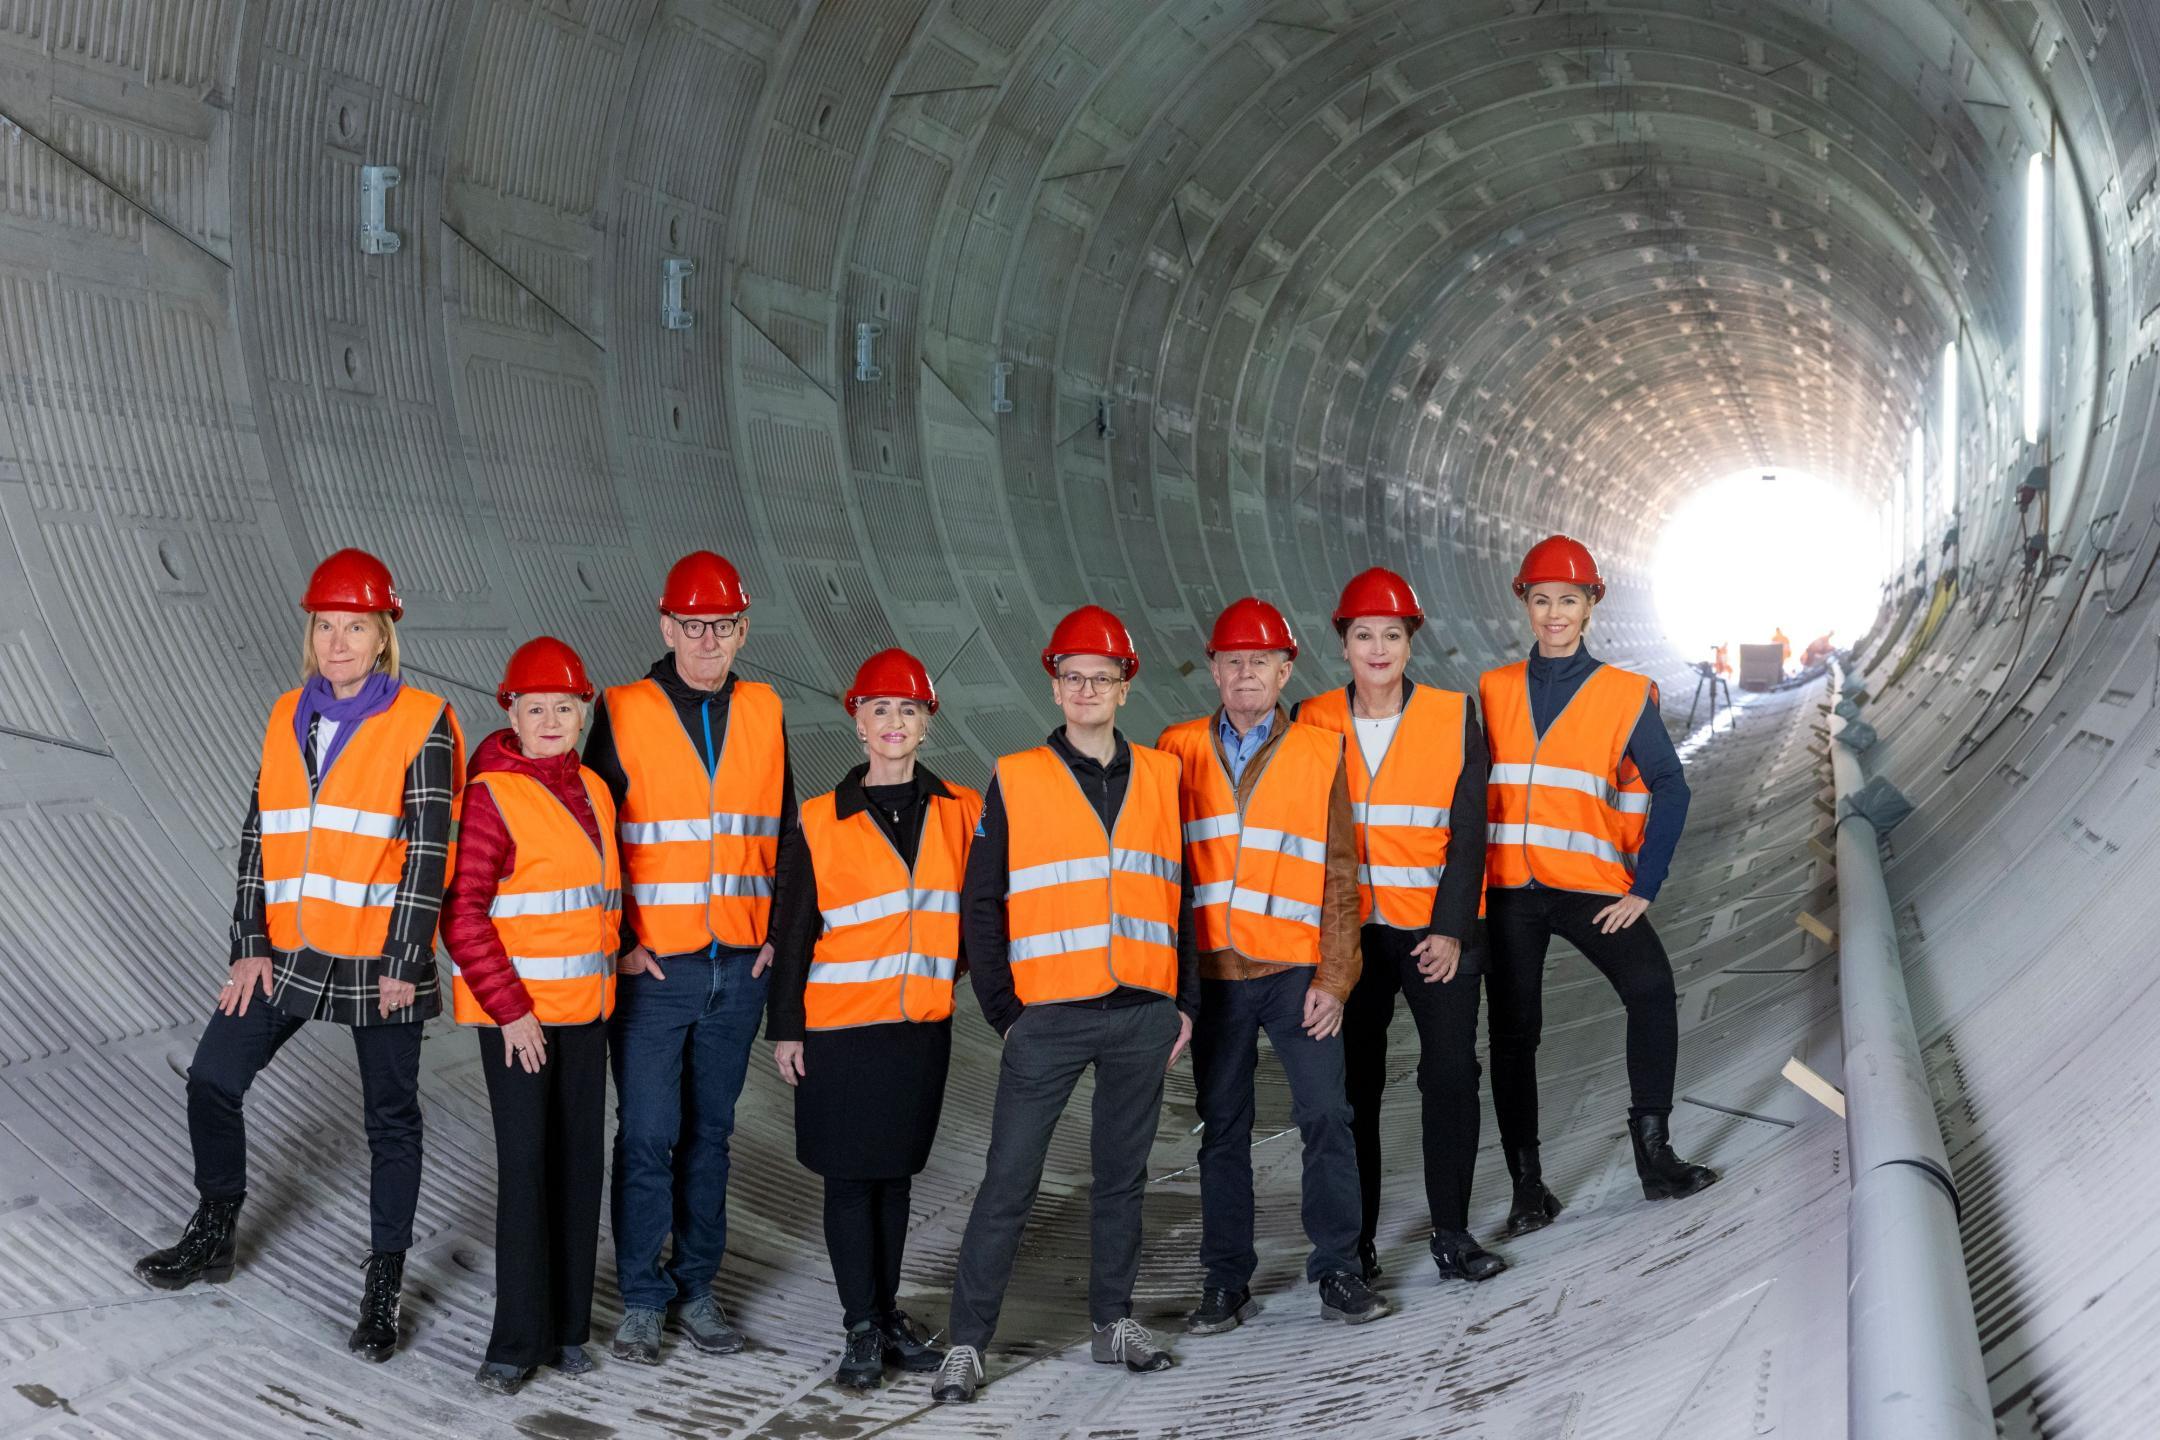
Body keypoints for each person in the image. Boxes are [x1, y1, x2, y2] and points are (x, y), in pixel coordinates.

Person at [133, 548, 464, 1365]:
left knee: (391, 1122)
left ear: (383, 634)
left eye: (357, 626)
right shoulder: (287, 713)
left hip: (381, 960)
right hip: (288, 954)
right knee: (214, 1075)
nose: (340, 641)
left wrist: (406, 956)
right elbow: (261, 836)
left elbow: (429, 851)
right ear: (310, 633)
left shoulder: (424, 719)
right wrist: (249, 944)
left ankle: (383, 1284)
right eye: (326, 626)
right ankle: (214, 1227)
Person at [933, 605, 1197, 1405]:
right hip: (1046, 1017)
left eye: (1102, 678)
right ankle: (967, 1343)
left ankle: (1113, 1323)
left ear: (1124, 688)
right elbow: (981, 902)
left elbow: (1180, 895)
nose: (1087, 690)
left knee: (1122, 1177)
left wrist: (1181, 1001)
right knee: (1010, 1178)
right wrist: (1005, 1008)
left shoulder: (1160, 774)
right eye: (1073, 677)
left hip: (1141, 1014)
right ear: (1055, 687)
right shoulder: (1015, 775)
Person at [582, 551, 795, 1364]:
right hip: (657, 976)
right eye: (693, 625)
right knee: (646, 1135)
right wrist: (622, 942)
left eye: (724, 625)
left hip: (737, 969)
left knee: (710, 1135)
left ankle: (697, 1289)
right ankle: (641, 1295)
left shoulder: (764, 709)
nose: (709, 640)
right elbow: (593, 835)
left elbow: (778, 830)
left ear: (743, 631)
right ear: (667, 627)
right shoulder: (626, 710)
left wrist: (772, 933)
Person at [1157, 597, 1389, 1336]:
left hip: (1295, 974)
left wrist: (1335, 977)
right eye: (1233, 660)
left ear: (1286, 670)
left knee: (1326, 1116)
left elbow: (1340, 877)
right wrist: (1172, 989)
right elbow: (1159, 875)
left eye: (1261, 660)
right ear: (1214, 668)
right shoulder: (1175, 749)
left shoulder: (1321, 751)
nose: (1245, 672)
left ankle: (1339, 1268)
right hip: (1216, 980)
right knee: (1222, 1129)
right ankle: (1226, 1280)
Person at [1481, 535, 1718, 1237]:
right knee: (1514, 1035)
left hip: (1588, 886)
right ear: (1526, 604)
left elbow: (1670, 784)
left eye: (1569, 600)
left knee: (1649, 990)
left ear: (1591, 607)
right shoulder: (1493, 690)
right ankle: (1528, 1187)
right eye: (1543, 600)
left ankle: (1654, 1154)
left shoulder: (1620, 693)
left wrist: (1644, 886)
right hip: (1511, 893)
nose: (1555, 613)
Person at [767, 649, 978, 1392]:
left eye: (908, 710)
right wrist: (785, 1028)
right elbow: (791, 931)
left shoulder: (963, 812)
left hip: (918, 1028)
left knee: (896, 1177)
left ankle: (887, 1316)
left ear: (927, 724)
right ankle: (860, 1323)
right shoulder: (818, 821)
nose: (894, 723)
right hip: (837, 1032)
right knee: (850, 1181)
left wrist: (938, 972)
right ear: (857, 721)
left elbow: (975, 917)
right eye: (880, 709)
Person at [1296, 568, 1505, 1285]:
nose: (1377, 648)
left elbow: (1469, 832)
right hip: (1351, 939)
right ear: (1343, 643)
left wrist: (1450, 929)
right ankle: (1355, 1248)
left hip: (1432, 933)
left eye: (1391, 634)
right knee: (1353, 1089)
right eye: (1363, 636)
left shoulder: (1454, 714)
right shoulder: (1312, 718)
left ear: (1410, 642)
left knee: (1450, 1074)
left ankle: (1451, 1234)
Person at [443, 638, 618, 1395]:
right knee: (525, 1171)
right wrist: (512, 1012)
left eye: (565, 707)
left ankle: (569, 1330)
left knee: (580, 1168)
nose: (551, 720)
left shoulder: (597, 791)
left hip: (587, 1016)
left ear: (584, 713)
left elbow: (600, 900)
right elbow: (464, 915)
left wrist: (628, 952)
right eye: (535, 707)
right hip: (522, 1024)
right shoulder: (490, 795)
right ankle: (515, 1344)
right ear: (510, 711)